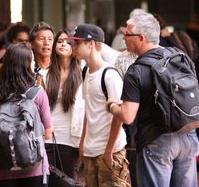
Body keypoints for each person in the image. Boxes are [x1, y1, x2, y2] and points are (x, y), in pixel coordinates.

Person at [107, 12, 199, 187]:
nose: (123, 38)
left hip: (156, 141)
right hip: (188, 136)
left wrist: (111, 105)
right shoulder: (179, 56)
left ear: (141, 38)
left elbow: (127, 116)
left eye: (127, 34)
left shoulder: (136, 70)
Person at [69, 23, 130, 187]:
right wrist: (83, 143)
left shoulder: (109, 74)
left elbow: (119, 116)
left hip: (110, 150)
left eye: (77, 42)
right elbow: (88, 111)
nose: (73, 46)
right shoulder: (85, 72)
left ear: (91, 44)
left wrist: (109, 150)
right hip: (90, 150)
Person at [0, 43, 53, 187]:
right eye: (32, 60)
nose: (34, 63)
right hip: (34, 169)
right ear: (26, 65)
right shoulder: (37, 93)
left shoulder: (0, 96)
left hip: (3, 169)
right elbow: (48, 133)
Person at [44, 29, 85, 179]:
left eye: (68, 42)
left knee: (67, 181)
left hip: (71, 138)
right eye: (60, 41)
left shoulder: (83, 74)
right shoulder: (45, 74)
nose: (63, 44)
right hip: (48, 137)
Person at [29, 21, 55, 88]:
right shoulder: (28, 70)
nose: (46, 43)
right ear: (32, 44)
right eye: (41, 39)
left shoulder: (60, 68)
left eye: (50, 39)